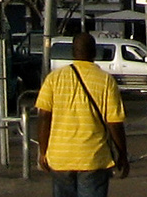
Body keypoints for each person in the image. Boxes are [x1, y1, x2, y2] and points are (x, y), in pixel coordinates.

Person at [37, 32, 129, 196]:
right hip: (93, 158)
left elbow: (44, 116)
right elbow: (114, 123)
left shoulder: (53, 79)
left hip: (60, 157)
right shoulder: (106, 81)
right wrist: (122, 154)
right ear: (95, 53)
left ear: (73, 52)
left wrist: (43, 151)